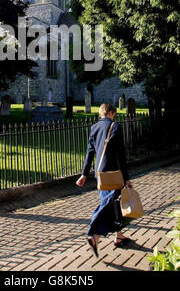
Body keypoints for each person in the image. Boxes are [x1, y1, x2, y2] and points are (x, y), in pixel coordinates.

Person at [76, 102, 133, 257]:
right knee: (109, 205)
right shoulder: (115, 126)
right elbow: (121, 155)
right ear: (111, 113)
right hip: (113, 173)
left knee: (113, 204)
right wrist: (126, 178)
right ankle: (94, 235)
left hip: (100, 174)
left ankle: (119, 236)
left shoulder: (94, 128)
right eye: (113, 114)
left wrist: (84, 174)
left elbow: (89, 153)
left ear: (101, 113)